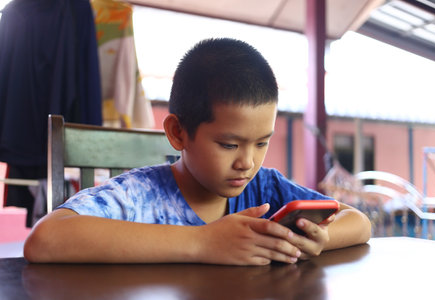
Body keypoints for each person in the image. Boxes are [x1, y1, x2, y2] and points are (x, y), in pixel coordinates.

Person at [24, 38, 371, 265]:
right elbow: (45, 239)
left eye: (261, 142)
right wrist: (203, 242)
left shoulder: (265, 188)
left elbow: (359, 222)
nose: (247, 162)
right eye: (229, 144)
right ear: (178, 132)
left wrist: (315, 241)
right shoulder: (140, 195)